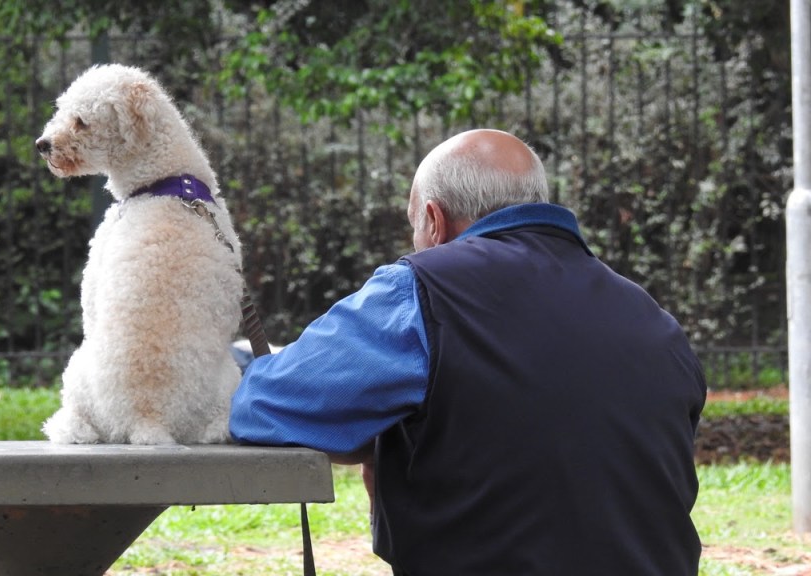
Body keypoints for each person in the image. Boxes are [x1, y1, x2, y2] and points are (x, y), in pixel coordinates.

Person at [229, 129, 706, 575]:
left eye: (413, 227)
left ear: (433, 221)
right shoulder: (653, 319)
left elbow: (264, 407)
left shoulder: (422, 289)